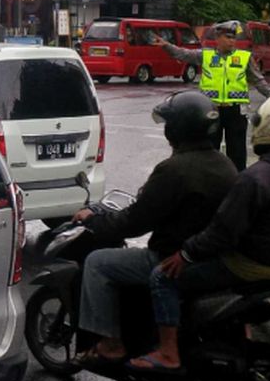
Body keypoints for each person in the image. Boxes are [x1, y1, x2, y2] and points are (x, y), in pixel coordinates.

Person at [129, 96, 270, 372]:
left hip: (252, 266)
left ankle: (168, 353)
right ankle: (236, 333)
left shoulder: (257, 177)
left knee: (163, 276)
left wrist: (186, 253)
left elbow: (223, 232)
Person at [70, 91, 239, 365]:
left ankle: (111, 343)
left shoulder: (174, 169)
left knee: (98, 262)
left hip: (171, 257)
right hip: (208, 257)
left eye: (169, 124)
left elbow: (134, 222)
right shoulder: (225, 163)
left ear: (177, 128)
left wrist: (94, 220)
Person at [151, 20, 270, 171]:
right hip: (211, 110)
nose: (231, 41)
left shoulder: (244, 57)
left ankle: (238, 181)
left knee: (237, 152)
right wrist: (166, 46)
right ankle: (210, 178)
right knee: (209, 149)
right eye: (227, 37)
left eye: (233, 38)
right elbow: (182, 54)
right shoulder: (205, 55)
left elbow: (258, 80)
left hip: (236, 111)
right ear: (218, 38)